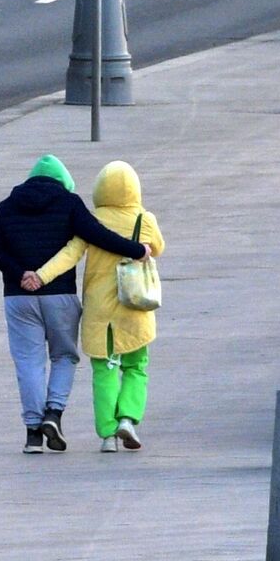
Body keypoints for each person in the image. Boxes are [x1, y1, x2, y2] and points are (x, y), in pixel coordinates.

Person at [0, 154, 149, 454]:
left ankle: (33, 434)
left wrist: (21, 275)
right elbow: (97, 235)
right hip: (59, 296)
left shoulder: (6, 207)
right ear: (63, 182)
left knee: (29, 363)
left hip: (18, 297)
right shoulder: (69, 203)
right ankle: (54, 414)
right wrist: (136, 249)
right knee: (64, 356)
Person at [22, 159, 165, 453]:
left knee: (104, 370)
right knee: (136, 365)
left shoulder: (90, 219)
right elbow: (158, 248)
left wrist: (41, 275)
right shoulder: (144, 219)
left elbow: (69, 254)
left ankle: (108, 435)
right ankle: (128, 417)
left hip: (100, 311)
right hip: (135, 305)